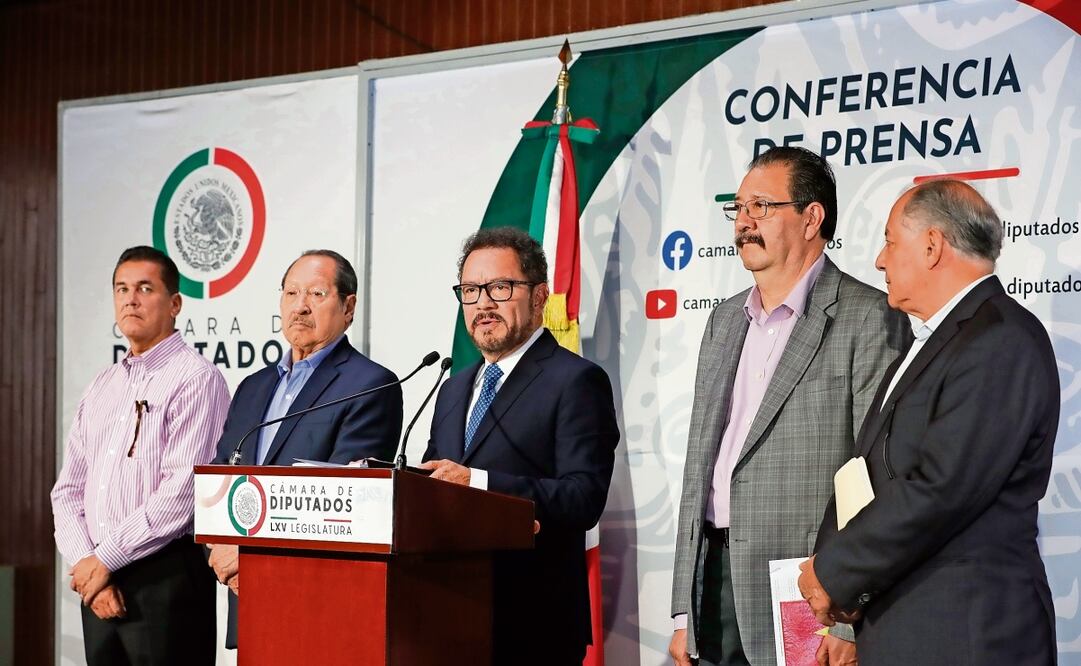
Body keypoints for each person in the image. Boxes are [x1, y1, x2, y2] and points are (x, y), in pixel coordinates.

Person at [798, 179, 1059, 664]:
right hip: (914, 626)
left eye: (890, 241)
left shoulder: (999, 339)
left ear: (933, 246)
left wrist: (836, 571)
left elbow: (942, 488)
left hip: (967, 634)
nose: (879, 260)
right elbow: (874, 471)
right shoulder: (935, 342)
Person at [669, 147, 907, 666]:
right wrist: (685, 610)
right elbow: (700, 469)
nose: (744, 223)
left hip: (808, 589)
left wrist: (850, 616)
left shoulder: (869, 317)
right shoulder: (724, 321)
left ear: (811, 218)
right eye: (738, 209)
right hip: (712, 577)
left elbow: (878, 479)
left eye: (761, 207)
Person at [420, 227, 619, 665]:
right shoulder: (452, 388)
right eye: (471, 290)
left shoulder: (575, 381)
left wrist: (477, 482)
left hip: (533, 624)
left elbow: (583, 497)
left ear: (539, 295)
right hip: (447, 615)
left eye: (500, 287)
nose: (483, 303)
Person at [207, 249, 403, 648]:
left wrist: (251, 557)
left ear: (348, 307)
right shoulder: (252, 387)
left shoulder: (371, 385)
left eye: (316, 293)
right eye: (291, 293)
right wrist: (222, 547)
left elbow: (343, 504)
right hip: (246, 599)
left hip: (319, 600)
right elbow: (221, 478)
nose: (300, 306)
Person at [51, 245, 230, 665]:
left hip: (165, 579)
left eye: (145, 288)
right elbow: (67, 491)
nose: (130, 298)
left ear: (175, 304)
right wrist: (87, 566)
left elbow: (183, 493)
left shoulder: (197, 378)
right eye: (121, 289)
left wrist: (104, 560)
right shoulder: (102, 385)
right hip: (97, 580)